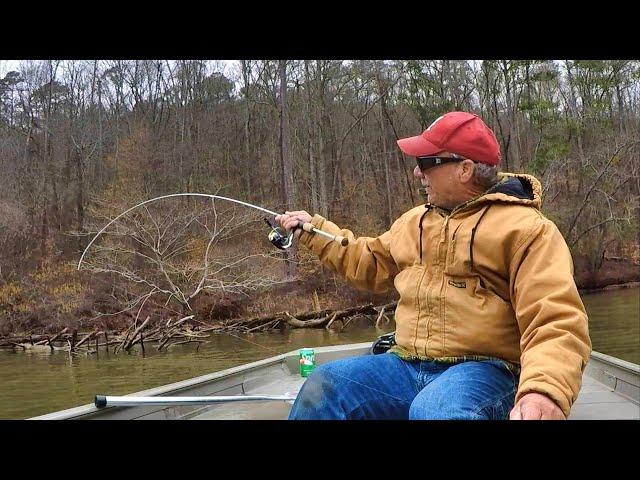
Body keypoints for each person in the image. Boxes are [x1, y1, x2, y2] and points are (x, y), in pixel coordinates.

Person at [276, 111, 591, 420]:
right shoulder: (415, 222)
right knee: (324, 386)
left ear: (464, 169)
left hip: (487, 371)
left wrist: (544, 391)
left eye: (426, 162)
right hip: (406, 364)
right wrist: (314, 230)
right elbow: (367, 261)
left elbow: (555, 319)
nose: (417, 172)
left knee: (435, 411)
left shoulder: (527, 230)